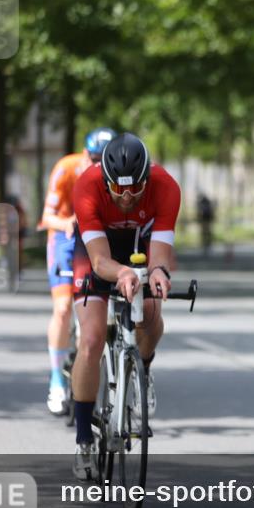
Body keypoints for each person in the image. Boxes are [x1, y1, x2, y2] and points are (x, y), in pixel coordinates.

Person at [70, 132, 180, 479]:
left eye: (136, 189)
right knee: (91, 338)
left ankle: (141, 370)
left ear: (148, 178)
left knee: (150, 314)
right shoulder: (86, 186)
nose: (128, 196)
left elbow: (160, 252)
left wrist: (158, 272)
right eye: (119, 190)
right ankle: (85, 439)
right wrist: (120, 273)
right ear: (106, 182)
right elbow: (100, 259)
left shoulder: (166, 187)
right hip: (97, 251)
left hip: (139, 243)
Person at [41, 127, 116, 415]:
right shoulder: (66, 169)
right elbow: (47, 216)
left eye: (103, 160)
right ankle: (57, 378)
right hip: (65, 236)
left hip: (94, 236)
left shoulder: (112, 177)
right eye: (94, 158)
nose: (98, 166)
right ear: (84, 154)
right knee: (61, 309)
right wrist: (68, 222)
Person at [196, 191, 215, 256]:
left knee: (206, 233)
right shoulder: (205, 203)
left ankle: (207, 245)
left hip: (206, 220)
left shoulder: (203, 203)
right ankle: (206, 245)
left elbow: (200, 212)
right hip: (206, 220)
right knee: (206, 233)